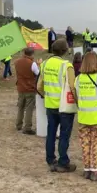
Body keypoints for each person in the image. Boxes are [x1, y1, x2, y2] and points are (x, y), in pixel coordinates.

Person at [37, 39, 77, 172]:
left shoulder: (45, 64)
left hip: (50, 105)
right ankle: (63, 162)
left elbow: (39, 86)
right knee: (64, 135)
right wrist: (78, 102)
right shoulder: (67, 66)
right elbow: (72, 87)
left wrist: (46, 95)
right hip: (64, 106)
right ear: (65, 51)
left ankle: (50, 159)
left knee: (51, 133)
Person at [75, 51, 97, 181]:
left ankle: (87, 170)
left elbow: (76, 96)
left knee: (85, 144)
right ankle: (95, 171)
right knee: (95, 144)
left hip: (84, 116)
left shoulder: (78, 79)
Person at [14, 48, 40, 135]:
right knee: (29, 108)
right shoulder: (32, 63)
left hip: (20, 87)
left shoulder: (17, 62)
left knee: (21, 107)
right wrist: (39, 64)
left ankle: (18, 125)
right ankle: (27, 127)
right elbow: (38, 73)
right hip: (30, 88)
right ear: (32, 54)